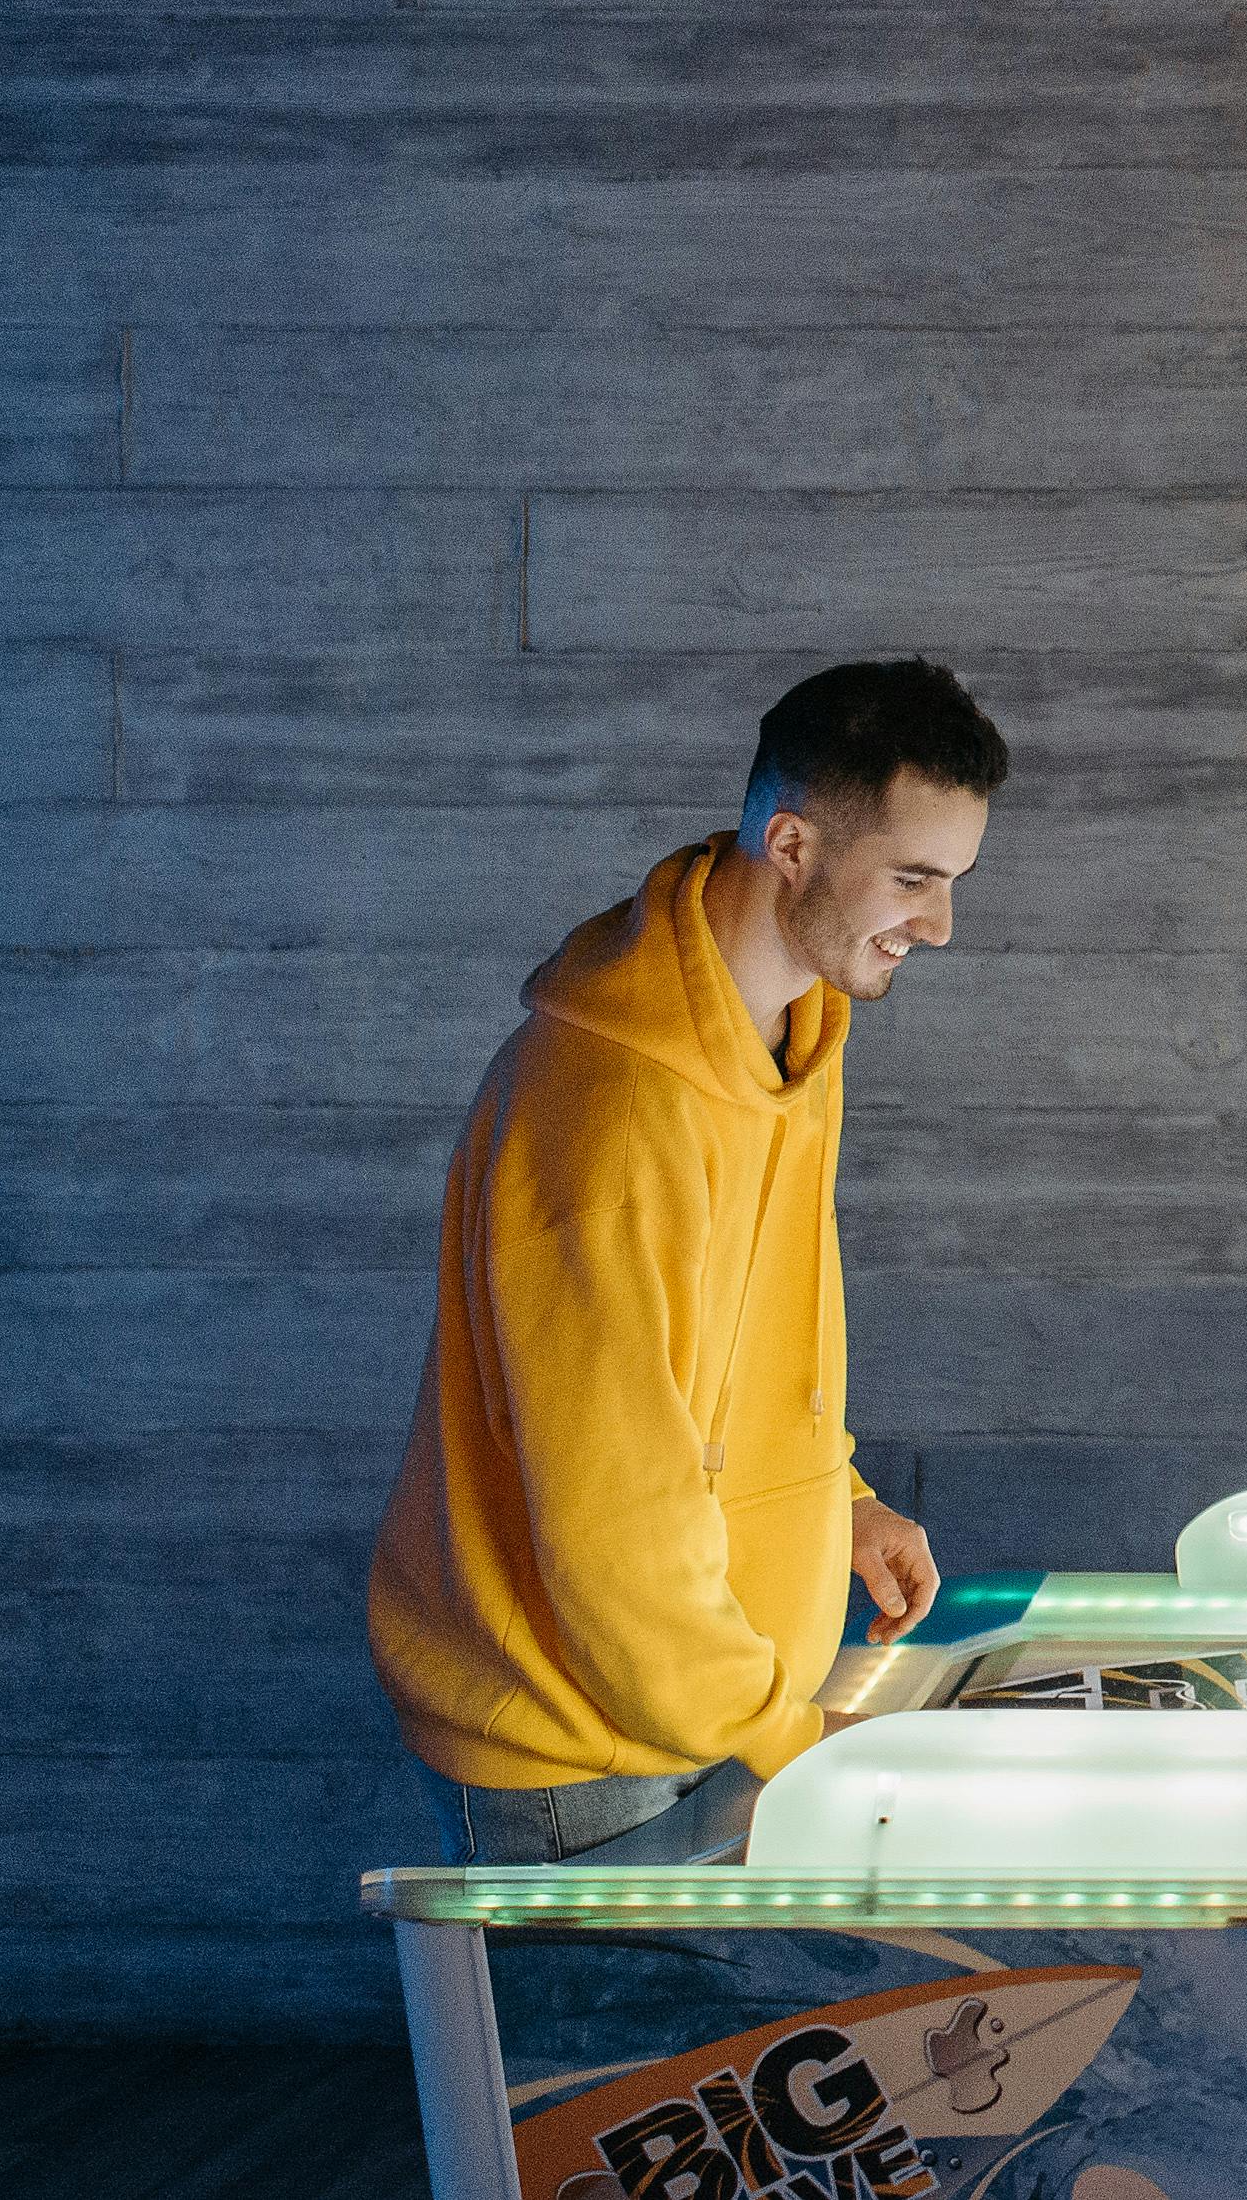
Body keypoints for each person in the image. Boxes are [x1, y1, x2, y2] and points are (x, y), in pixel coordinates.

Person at [368, 658, 1007, 1863]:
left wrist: (839, 1500)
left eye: (953, 881)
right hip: (580, 1752)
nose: (940, 924)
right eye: (914, 878)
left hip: (697, 1706)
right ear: (792, 843)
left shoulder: (789, 1034)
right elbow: (611, 1515)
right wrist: (789, 1731)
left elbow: (734, 1366)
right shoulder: (610, 1111)